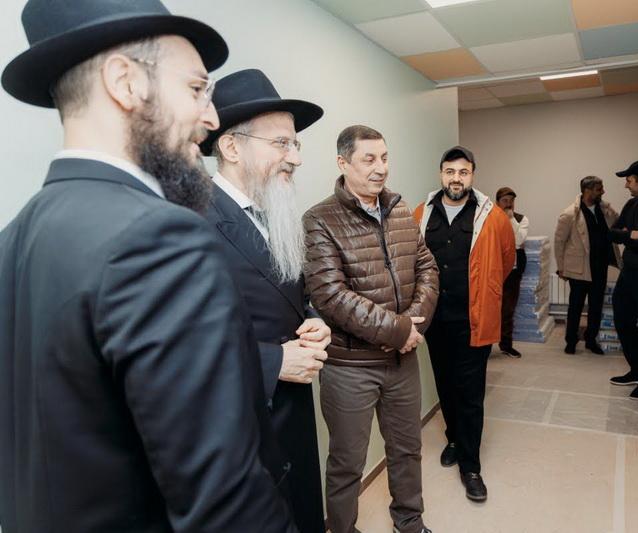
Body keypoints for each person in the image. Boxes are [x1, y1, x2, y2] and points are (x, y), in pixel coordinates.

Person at [0, 1, 296, 532]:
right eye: (196, 89)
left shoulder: (12, 238)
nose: (211, 118)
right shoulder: (160, 238)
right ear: (125, 82)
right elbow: (224, 504)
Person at [200, 69, 329, 533]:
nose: (296, 157)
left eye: (296, 144)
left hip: (292, 412)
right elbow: (184, 347)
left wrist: (313, 319)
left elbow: (291, 296)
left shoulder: (275, 211)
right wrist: (274, 361)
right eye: (281, 144)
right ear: (232, 147)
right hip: (242, 424)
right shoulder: (191, 221)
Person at [302, 125, 439, 533]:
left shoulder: (400, 209)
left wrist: (413, 322)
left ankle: (409, 522)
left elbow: (427, 267)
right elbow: (330, 294)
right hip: (349, 368)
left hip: (402, 360)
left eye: (384, 157)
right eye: (369, 159)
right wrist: (399, 330)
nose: (381, 168)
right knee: (347, 462)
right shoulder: (319, 219)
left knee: (407, 450)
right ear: (343, 163)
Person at [413, 146, 516, 502]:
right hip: (435, 321)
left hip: (474, 320)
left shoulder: (493, 217)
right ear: (441, 174)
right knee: (445, 385)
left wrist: (485, 291)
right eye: (450, 171)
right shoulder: (421, 214)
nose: (456, 178)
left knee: (470, 393)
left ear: (472, 174)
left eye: (463, 172)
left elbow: (506, 261)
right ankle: (454, 439)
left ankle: (470, 466)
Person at [554, 176, 621, 355]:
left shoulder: (604, 210)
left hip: (600, 266)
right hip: (579, 269)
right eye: (599, 189)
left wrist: (608, 207)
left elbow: (618, 222)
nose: (603, 191)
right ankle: (571, 341)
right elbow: (559, 242)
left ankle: (591, 340)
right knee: (575, 307)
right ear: (587, 190)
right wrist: (561, 267)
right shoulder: (570, 214)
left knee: (596, 306)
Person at [608, 160, 638, 399]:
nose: (626, 185)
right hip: (628, 272)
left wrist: (627, 236)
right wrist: (631, 235)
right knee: (622, 320)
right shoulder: (631, 204)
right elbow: (612, 233)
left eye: (629, 180)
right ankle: (637, 369)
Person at [495, 186, 530, 357]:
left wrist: (511, 220)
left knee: (508, 310)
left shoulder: (521, 219)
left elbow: (518, 241)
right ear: (497, 203)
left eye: (511, 201)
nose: (509, 204)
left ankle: (506, 345)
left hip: (513, 271)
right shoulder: (490, 219)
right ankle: (484, 345)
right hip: (493, 271)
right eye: (505, 201)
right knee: (489, 309)